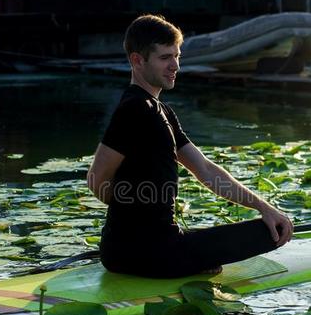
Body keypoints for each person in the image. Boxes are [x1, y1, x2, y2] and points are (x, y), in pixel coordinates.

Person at [87, 14, 293, 278]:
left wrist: (264, 207)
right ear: (137, 61)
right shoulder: (134, 109)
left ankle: (185, 259)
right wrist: (130, 215)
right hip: (146, 253)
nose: (175, 66)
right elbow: (96, 179)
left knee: (265, 222)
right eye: (165, 58)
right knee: (269, 233)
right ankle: (180, 263)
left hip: (146, 248)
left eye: (177, 56)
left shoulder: (161, 111)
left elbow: (206, 170)